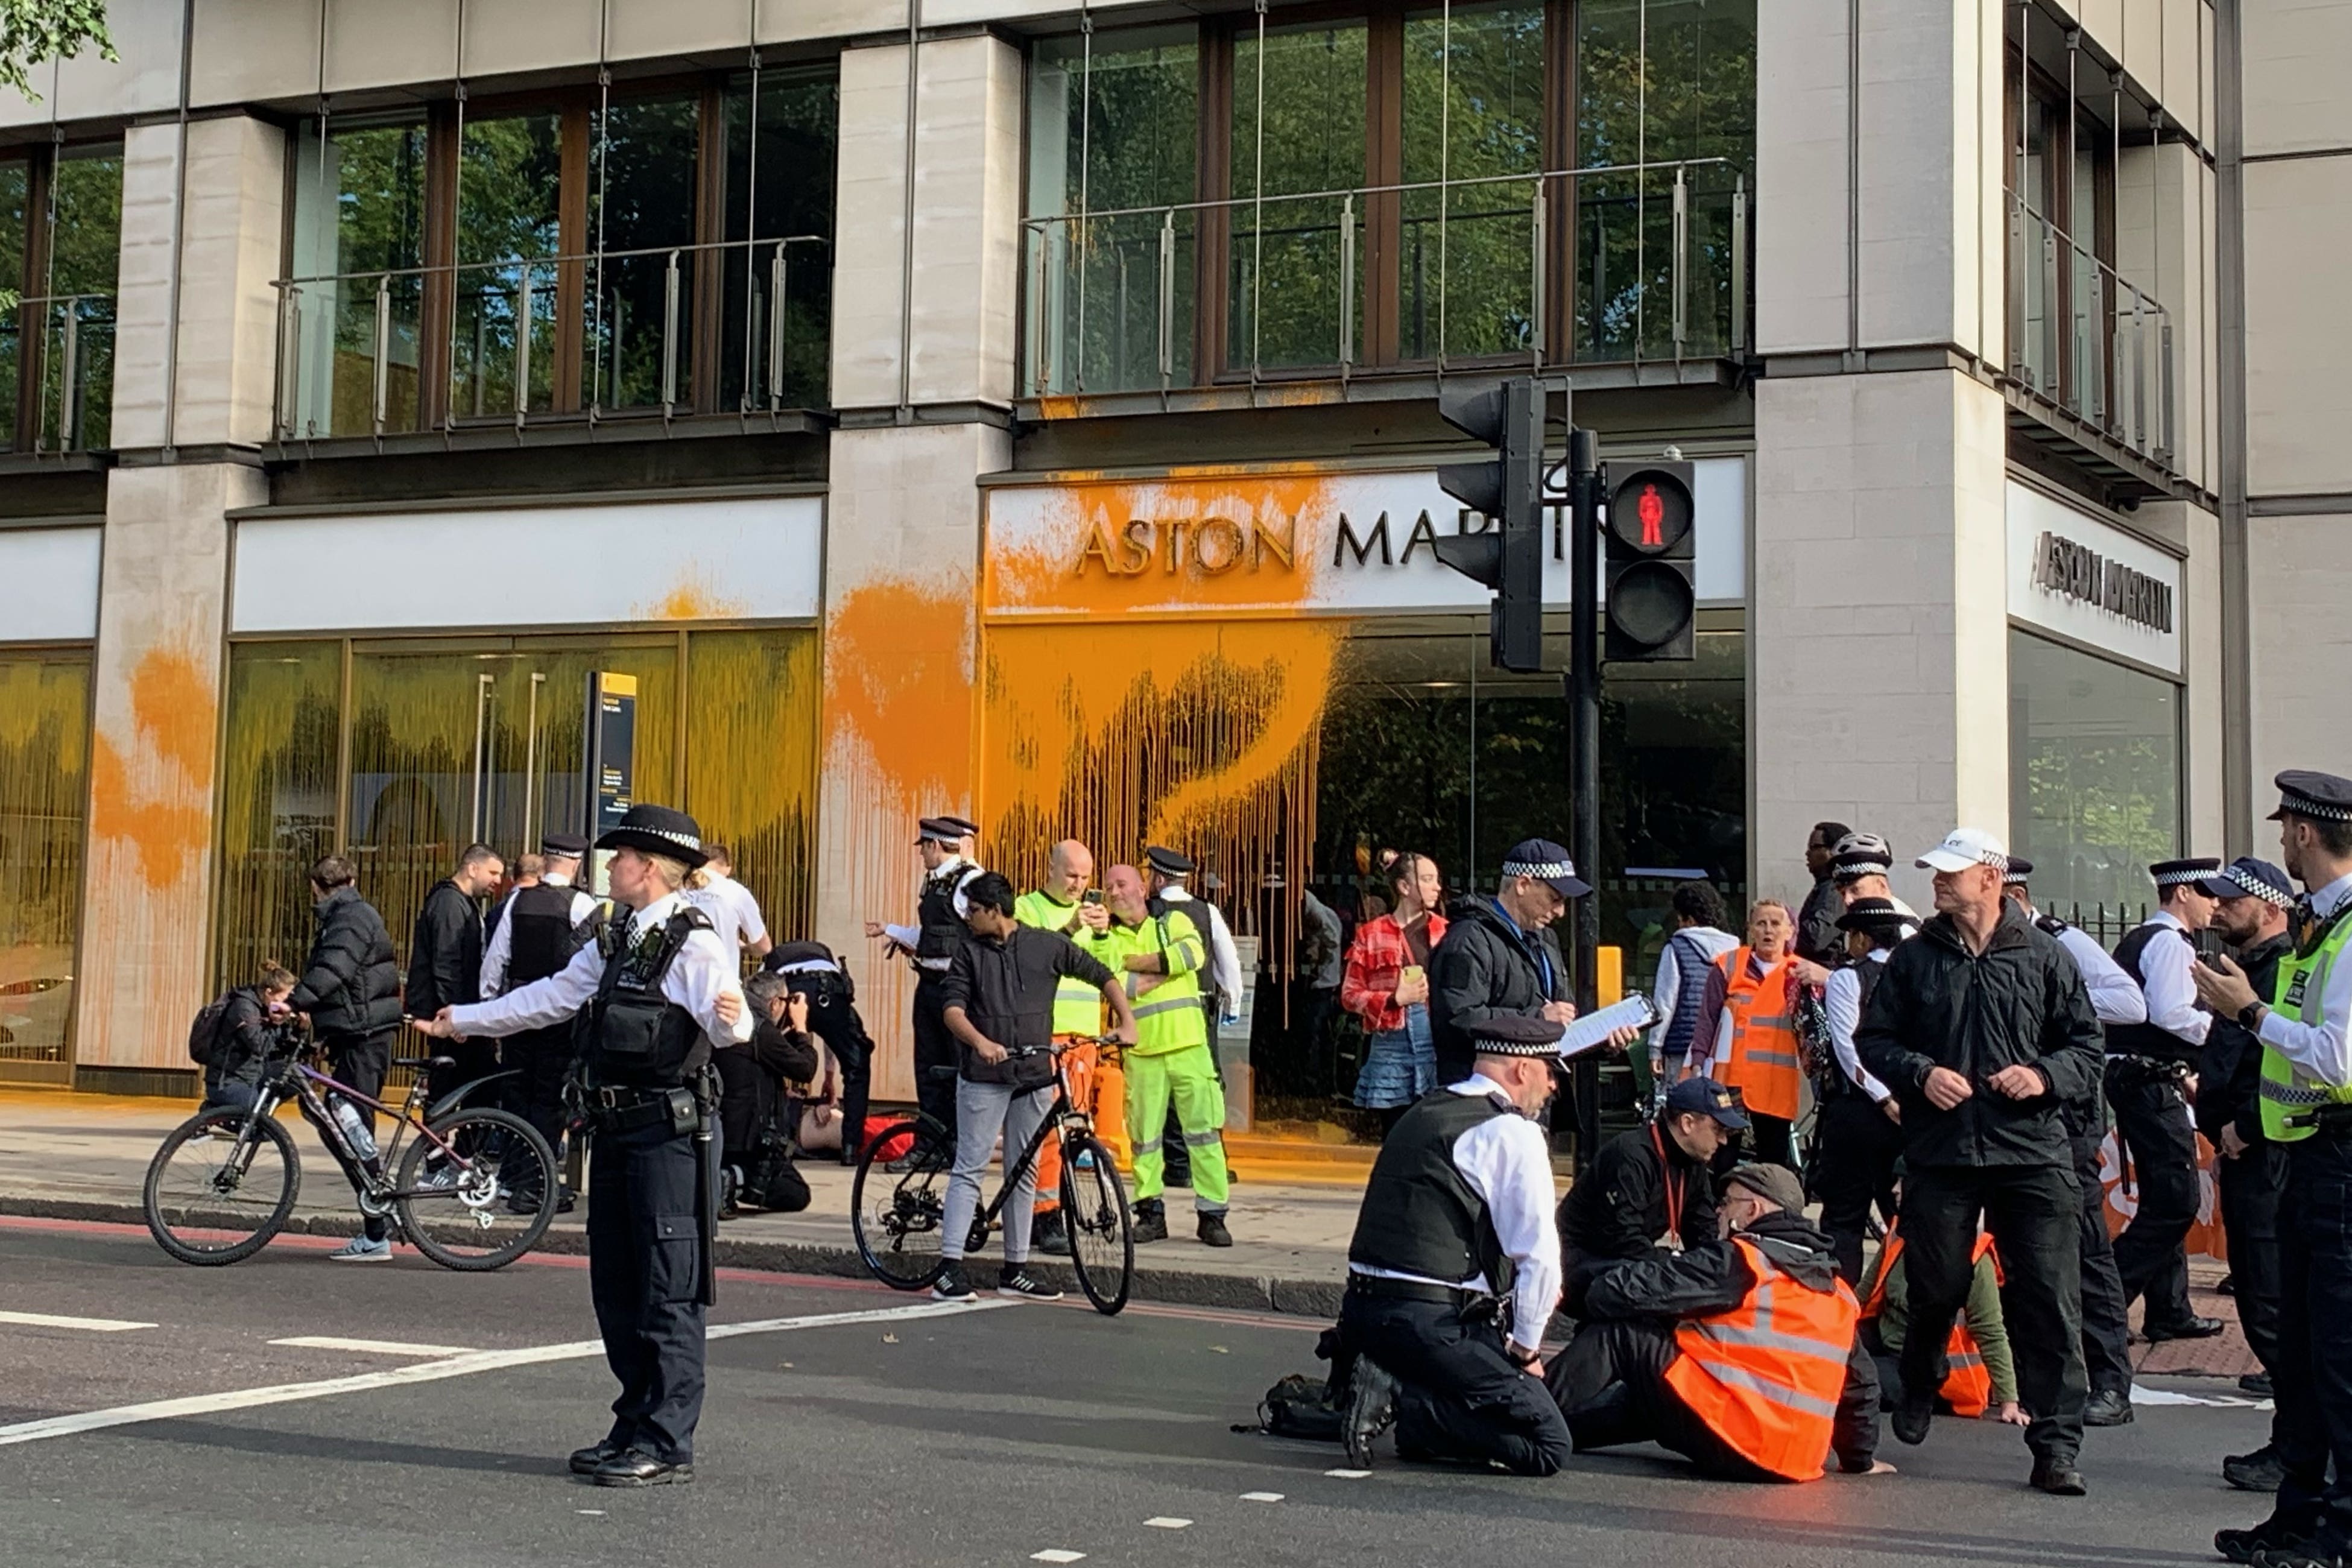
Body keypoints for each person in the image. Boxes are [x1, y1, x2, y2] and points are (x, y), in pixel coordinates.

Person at [420, 803, 751, 1488]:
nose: (610, 867)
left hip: (670, 1137)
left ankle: (667, 1439)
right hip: (617, 1131)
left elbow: (731, 1025)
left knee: (668, 1286)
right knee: (618, 1288)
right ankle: (632, 1422)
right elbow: (553, 996)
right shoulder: (619, 934)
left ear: (651, 869)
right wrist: (468, 1020)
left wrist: (734, 1017)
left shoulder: (693, 942)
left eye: (621, 858)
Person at [1855, 826, 2103, 1496]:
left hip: (2032, 1151)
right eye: (1935, 872)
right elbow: (1873, 1040)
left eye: (1951, 872)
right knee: (1933, 1284)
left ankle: (2055, 1442)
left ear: (1990, 878)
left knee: (2050, 1297)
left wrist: (2044, 1076)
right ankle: (1921, 1371)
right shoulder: (1913, 960)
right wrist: (1921, 1071)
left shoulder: (2047, 955)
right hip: (1943, 1149)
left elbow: (2087, 1046)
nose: (1938, 882)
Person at [2194, 774, 2352, 1567]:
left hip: (2340, 1158)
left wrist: (2248, 1014)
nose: (2283, 836)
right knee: (2304, 1346)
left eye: (2287, 824)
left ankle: (2340, 1532)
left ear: (2303, 832)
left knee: (2337, 1354)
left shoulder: (2350, 929)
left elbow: (2339, 1057)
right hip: (2307, 1154)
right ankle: (2300, 1517)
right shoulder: (2323, 926)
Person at [1338, 1013, 1575, 1476]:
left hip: (1363, 1314)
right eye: (1551, 1074)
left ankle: (1401, 1397)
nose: (1552, 1089)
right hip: (1432, 1321)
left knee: (1459, 1417)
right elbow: (1540, 1259)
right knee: (1548, 1443)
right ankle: (1401, 1397)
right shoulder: (1512, 1132)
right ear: (1522, 1071)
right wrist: (1525, 1351)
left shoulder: (1424, 1110)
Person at [1546, 1162, 1886, 1482]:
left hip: (1732, 1434)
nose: (1719, 1212)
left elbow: (1627, 1292)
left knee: (1623, 1336)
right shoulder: (1838, 1292)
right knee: (1657, 1393)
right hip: (1793, 1461)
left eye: (1727, 1203)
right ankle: (1542, 1431)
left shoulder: (1743, 1261)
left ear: (1753, 1211)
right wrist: (1859, 1459)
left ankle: (1522, 1410)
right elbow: (1860, 1382)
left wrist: (1588, 1284)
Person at [934, 871, 1137, 1302]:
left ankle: (1016, 1269)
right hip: (985, 1076)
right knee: (970, 1167)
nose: (968, 919)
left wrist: (1127, 1021)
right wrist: (980, 1042)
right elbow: (952, 1009)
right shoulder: (969, 953)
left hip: (1032, 1075)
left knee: (1023, 1170)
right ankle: (949, 1269)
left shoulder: (1044, 945)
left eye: (974, 911)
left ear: (994, 911)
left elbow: (1102, 975)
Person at [2002, 856, 2148, 1428]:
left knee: (2086, 1249)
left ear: (2012, 897)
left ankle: (2111, 1380)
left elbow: (2131, 1003)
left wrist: (2067, 1003)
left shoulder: (2060, 942)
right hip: (2011, 1118)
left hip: (2066, 1116)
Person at [2200, 856, 2298, 1493]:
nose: (2217, 909)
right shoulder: (2244, 971)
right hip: (2246, 1153)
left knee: (2273, 1305)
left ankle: (2297, 1448)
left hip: (2267, 1156)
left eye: (2232, 900)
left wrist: (2245, 1126)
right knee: (2269, 1304)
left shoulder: (2279, 971)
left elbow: (2289, 1063)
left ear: (2268, 907)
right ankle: (2297, 1442)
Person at [2105, 857, 2232, 1342]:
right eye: (2207, 894)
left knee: (2166, 1196)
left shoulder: (2151, 939)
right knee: (2177, 1200)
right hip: (2149, 1079)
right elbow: (2172, 1014)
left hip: (2148, 1078)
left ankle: (2170, 1309)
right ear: (2182, 894)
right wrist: (2226, 1028)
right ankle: (2108, 1303)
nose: (2215, 904)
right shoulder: (2167, 944)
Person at [1080, 864, 1232, 1246]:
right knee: (1144, 1140)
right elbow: (1115, 980)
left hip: (1189, 1047)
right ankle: (1150, 1213)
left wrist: (1136, 965)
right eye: (1108, 886)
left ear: (1143, 886)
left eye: (1122, 884)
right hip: (1143, 1051)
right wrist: (1162, 965)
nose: (1114, 892)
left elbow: (1192, 956)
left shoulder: (1174, 920)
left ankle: (1212, 1216)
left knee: (1204, 1135)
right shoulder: (1106, 937)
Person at [286, 856, 403, 1262]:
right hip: (357, 1032)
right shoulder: (350, 912)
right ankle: (377, 1220)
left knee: (351, 1128)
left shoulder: (351, 918)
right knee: (341, 1122)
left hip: (365, 1035)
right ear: (352, 879)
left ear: (315, 887)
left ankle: (377, 1228)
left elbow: (334, 968)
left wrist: (295, 1001)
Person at [480, 832, 602, 1211]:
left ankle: (514, 1177)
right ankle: (538, 1184)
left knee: (517, 1095)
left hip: (517, 1012)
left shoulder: (517, 901)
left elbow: (495, 962)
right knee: (550, 1100)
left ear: (547, 861)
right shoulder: (582, 904)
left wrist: (489, 1011)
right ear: (577, 864)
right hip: (560, 1016)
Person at [1558, 1076, 1741, 1312]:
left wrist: (1714, 1267)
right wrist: (1676, 1263)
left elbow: (1703, 1230)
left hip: (1621, 1260)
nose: (1724, 1140)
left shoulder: (1692, 1163)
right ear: (1687, 1123)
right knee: (1649, 1287)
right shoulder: (1632, 1155)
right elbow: (1621, 1238)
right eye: (1718, 1129)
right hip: (1579, 1263)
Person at [1014, 839, 1114, 1256]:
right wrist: (1073, 927)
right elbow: (1033, 958)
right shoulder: (1027, 907)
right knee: (1047, 1131)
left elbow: (1110, 966)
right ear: (1051, 870)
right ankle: (1045, 1213)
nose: (1079, 885)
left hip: (1084, 1036)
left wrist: (1105, 932)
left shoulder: (1092, 916)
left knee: (1075, 1126)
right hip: (1046, 1034)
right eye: (1071, 875)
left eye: (1086, 877)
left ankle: (1061, 1202)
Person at [866, 815, 984, 1145]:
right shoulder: (935, 881)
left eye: (924, 848)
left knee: (959, 1068)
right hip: (930, 984)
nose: (921, 855)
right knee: (929, 1068)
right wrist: (892, 931)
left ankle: (960, 1145)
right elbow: (935, 937)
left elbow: (982, 936)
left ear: (935, 846)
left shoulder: (969, 882)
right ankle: (929, 1145)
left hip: (957, 989)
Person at [1684, 899, 1827, 1166]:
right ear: (1750, 929)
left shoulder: (1801, 973)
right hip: (1730, 1083)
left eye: (1775, 924)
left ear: (1789, 932)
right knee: (1721, 1158)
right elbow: (1707, 1019)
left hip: (1775, 1085)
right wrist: (1698, 1062)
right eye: (1761, 923)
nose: (1768, 931)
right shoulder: (1727, 965)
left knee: (1772, 1164)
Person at [1429, 838, 1582, 1087]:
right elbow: (1458, 1018)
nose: (1561, 912)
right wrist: (1537, 1019)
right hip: (1481, 1097)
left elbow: (1561, 1014)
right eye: (1554, 898)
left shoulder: (1545, 940)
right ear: (1523, 884)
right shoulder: (1468, 939)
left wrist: (1602, 1042)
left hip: (1533, 1092)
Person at [1812, 897, 1909, 1284]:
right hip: (1907, 1104)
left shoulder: (1847, 977)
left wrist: (1880, 1095)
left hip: (1857, 1109)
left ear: (1862, 938)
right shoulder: (1914, 974)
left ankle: (1845, 1304)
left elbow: (1847, 1045)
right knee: (1903, 1214)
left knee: (1844, 1216)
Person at [1857, 1216, 2026, 1426]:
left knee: (1855, 1377)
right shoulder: (1899, 1237)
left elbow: (1991, 1332)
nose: (1895, 1190)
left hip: (1940, 1377)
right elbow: (1862, 1296)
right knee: (1841, 1358)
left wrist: (2009, 1402)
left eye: (1903, 1184)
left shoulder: (1974, 1259)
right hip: (1889, 1343)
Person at [1146, 845, 1245, 1190]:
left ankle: (1177, 1164)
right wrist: (1233, 1003)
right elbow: (1228, 962)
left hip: (1157, 1013)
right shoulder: (1206, 911)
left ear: (1158, 878)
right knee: (1206, 1084)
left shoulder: (1148, 911)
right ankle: (1212, 1162)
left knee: (1167, 1085)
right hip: (1200, 1009)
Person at [1342, 852, 1450, 1136]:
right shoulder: (1371, 934)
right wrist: (1393, 1000)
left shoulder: (1446, 931)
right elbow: (1350, 995)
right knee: (1395, 1134)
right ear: (1404, 887)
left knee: (1434, 1134)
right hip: (1392, 1044)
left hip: (1437, 1042)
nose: (1436, 887)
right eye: (1427, 880)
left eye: (1436, 880)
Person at [760, 940, 873, 1166]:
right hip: (830, 993)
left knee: (766, 1052)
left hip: (788, 993)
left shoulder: (771, 960)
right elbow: (832, 1032)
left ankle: (769, 1135)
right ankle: (851, 1147)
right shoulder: (826, 958)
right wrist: (830, 1078)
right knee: (857, 1065)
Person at [406, 841, 504, 1104]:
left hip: (458, 1014)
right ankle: (440, 1142)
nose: (498, 881)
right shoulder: (449, 903)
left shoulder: (464, 903)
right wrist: (456, 1014)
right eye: (493, 873)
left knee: (469, 1087)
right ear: (473, 868)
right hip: (449, 1017)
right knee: (453, 1089)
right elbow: (446, 963)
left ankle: (456, 1142)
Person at [1646, 881, 1739, 1112]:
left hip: (1682, 1042)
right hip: (1722, 1046)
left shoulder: (1676, 947)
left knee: (1681, 1109)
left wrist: (1655, 1047)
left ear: (1688, 918)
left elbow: (1665, 1002)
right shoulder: (1736, 951)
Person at [197, 963, 296, 1118]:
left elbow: (284, 1047)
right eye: (285, 998)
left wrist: (300, 1027)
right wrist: (275, 1022)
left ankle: (259, 1112)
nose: (287, 1004)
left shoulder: (266, 1006)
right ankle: (214, 1110)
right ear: (269, 992)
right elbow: (260, 1046)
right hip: (228, 1082)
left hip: (253, 1075)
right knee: (261, 1130)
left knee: (297, 1074)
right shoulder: (244, 1008)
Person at [688, 844, 771, 964]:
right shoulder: (736, 892)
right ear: (728, 868)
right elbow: (764, 947)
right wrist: (743, 949)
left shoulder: (678, 887)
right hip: (722, 977)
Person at [1827, 832, 1923, 933]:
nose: (1847, 900)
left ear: (1882, 886)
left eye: (1856, 890)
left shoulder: (1900, 929)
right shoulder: (1866, 922)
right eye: (1842, 893)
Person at [1797, 820, 1855, 966]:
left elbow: (1816, 938)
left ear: (1834, 852)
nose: (1807, 853)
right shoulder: (1825, 886)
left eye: (1814, 847)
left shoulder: (1835, 889)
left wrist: (1785, 927)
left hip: (1822, 973)